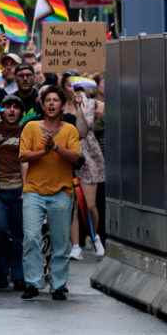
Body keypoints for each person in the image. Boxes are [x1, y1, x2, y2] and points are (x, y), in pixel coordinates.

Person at [19, 86, 81, 301]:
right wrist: (43, 151)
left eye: (56, 100)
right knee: (31, 237)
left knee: (61, 241)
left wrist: (55, 148)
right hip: (33, 191)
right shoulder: (31, 127)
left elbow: (76, 158)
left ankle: (59, 284)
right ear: (42, 104)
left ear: (62, 105)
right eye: (48, 100)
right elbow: (23, 156)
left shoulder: (70, 130)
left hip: (61, 191)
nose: (52, 104)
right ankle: (33, 282)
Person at [61, 72, 106, 259]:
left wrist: (79, 108)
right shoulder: (57, 104)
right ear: (64, 87)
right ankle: (76, 245)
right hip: (65, 156)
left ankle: (94, 236)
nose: (73, 89)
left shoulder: (88, 104)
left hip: (87, 156)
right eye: (69, 85)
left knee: (89, 205)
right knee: (71, 204)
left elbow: (82, 131)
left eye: (76, 86)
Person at [0, 95, 26, 290]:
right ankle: (1, 270)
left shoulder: (27, 131)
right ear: (2, 110)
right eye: (7, 106)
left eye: (16, 107)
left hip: (19, 189)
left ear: (21, 112)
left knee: (19, 235)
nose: (11, 110)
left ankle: (18, 273)